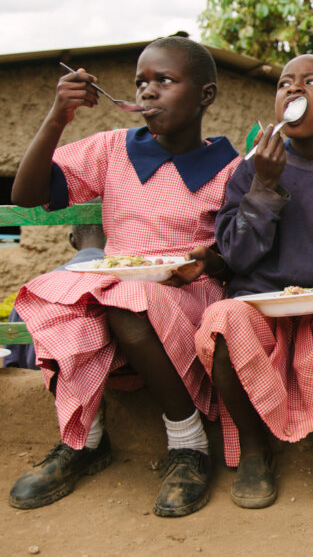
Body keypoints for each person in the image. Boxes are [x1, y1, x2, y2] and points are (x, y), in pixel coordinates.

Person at [8, 36, 239, 517]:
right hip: (115, 281)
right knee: (54, 303)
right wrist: (58, 117)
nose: (149, 91)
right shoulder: (114, 149)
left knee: (125, 304)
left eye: (165, 80)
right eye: (141, 82)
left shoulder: (231, 168)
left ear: (206, 95)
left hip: (187, 289)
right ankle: (84, 441)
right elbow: (28, 194)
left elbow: (237, 253)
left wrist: (208, 260)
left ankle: (188, 443)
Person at [195, 54, 313, 510]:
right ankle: (254, 452)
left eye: (310, 83)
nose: (293, 90)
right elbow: (237, 255)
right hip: (259, 311)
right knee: (222, 317)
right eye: (285, 83)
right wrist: (264, 185)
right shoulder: (250, 170)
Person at [3, 222, 105, 369]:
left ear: (72, 239)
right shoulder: (129, 288)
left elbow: (13, 361)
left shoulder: (33, 291)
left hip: (41, 382)